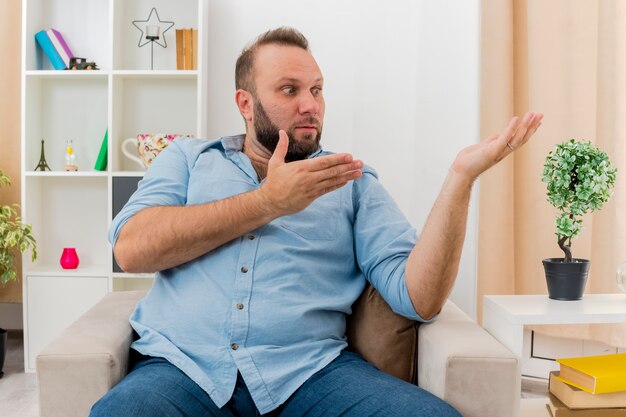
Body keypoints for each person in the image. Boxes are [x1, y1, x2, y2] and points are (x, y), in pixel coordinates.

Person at [91, 27, 543, 417]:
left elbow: (417, 299)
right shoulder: (187, 159)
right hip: (182, 369)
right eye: (290, 90)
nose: (311, 105)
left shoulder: (353, 181)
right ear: (245, 104)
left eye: (317, 89)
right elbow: (131, 250)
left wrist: (461, 178)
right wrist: (266, 202)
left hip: (310, 373)